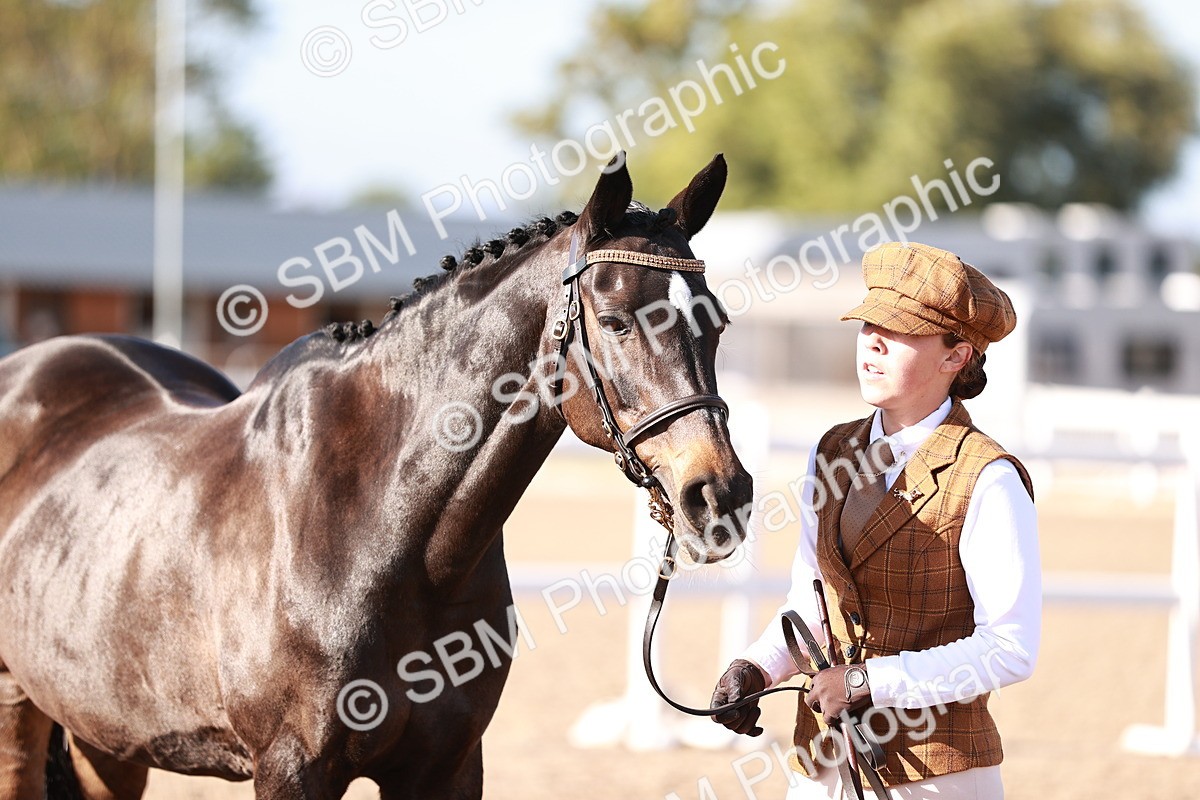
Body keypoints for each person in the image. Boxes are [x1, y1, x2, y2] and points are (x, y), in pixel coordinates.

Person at [710, 242, 1041, 800]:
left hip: (937, 774)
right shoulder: (832, 451)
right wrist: (759, 668)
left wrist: (869, 683)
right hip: (820, 762)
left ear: (956, 356)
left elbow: (1011, 648)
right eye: (868, 325)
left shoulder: (989, 476)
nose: (873, 342)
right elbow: (814, 603)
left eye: (902, 330)